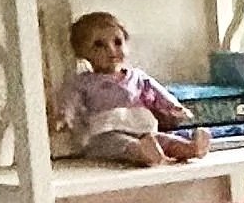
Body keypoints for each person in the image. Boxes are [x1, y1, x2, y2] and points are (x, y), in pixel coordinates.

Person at [50, 10, 203, 165]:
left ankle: (191, 148)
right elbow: (70, 99)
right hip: (106, 132)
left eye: (117, 42)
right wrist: (64, 116)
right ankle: (144, 153)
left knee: (164, 140)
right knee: (122, 145)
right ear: (82, 52)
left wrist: (173, 106)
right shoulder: (84, 81)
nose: (111, 50)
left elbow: (158, 92)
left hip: (141, 128)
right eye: (99, 45)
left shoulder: (137, 76)